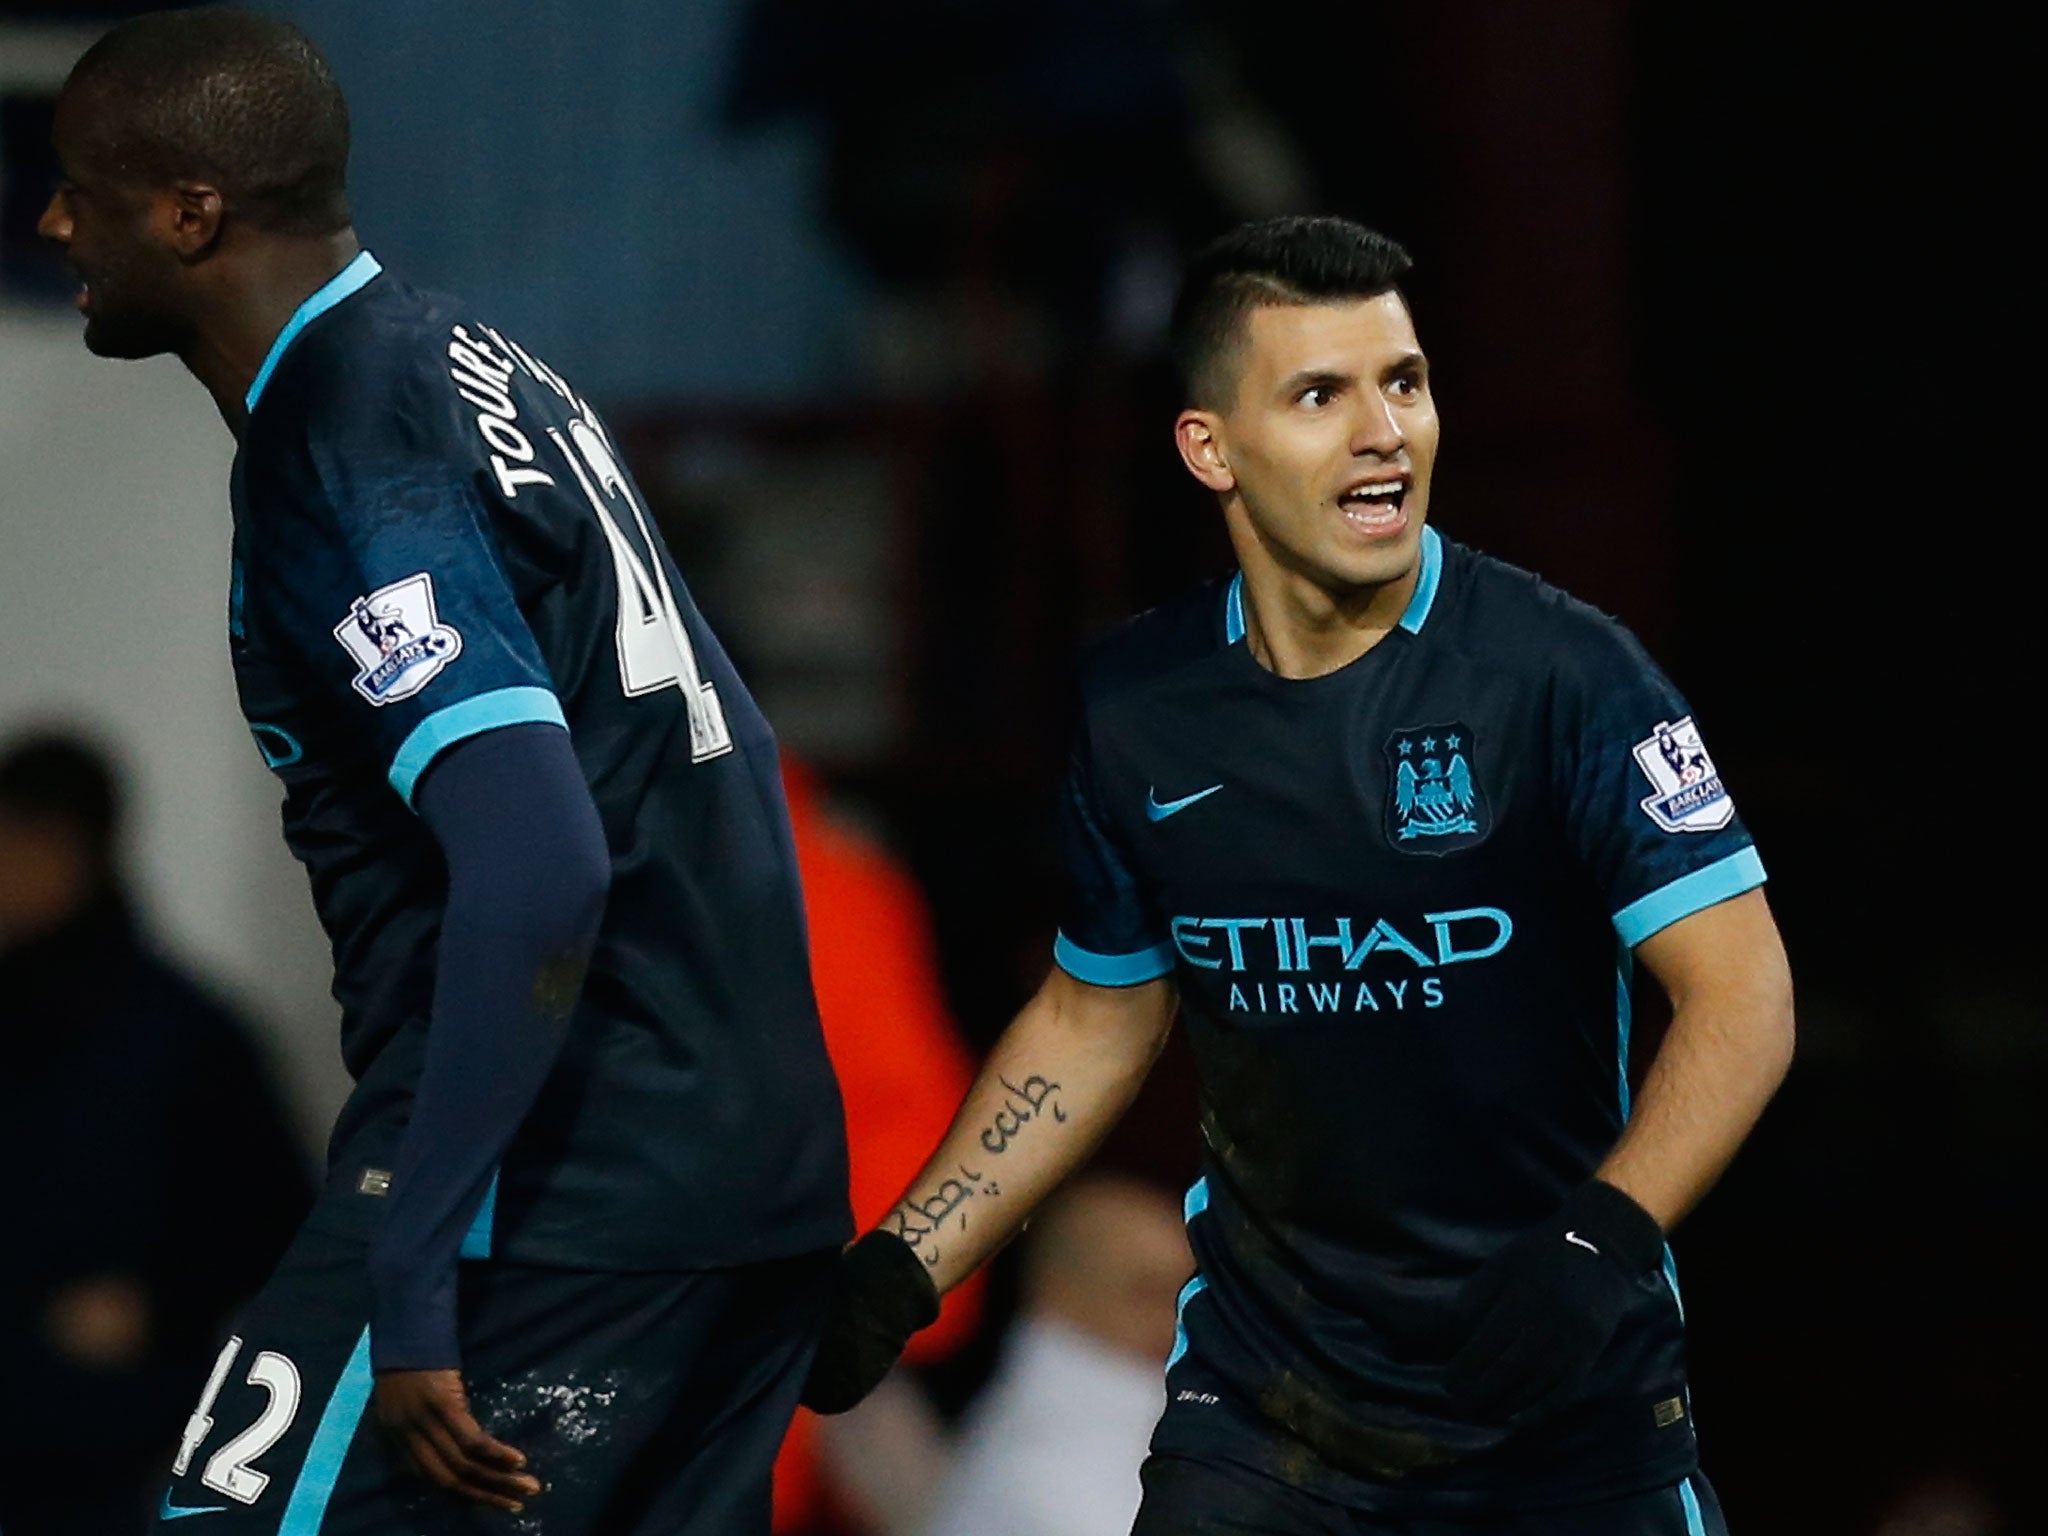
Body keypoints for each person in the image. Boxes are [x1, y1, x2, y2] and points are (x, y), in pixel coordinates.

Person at [802, 217, 1795, 1534]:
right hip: (1265, 1429)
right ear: (1211, 446)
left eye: (1405, 381)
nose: (1384, 429)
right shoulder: (1136, 705)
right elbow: (1099, 1019)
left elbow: (1745, 997)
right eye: (1322, 393)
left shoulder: (1566, 677)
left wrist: (1599, 1242)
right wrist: (905, 1266)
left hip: (1557, 1417)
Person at [39, 10, 850, 1534]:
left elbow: (543, 859)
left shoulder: (341, 437)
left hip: (555, 1198)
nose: (52, 217)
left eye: (83, 183)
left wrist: (414, 1278)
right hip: (743, 1181)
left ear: (191, 212)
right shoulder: (476, 358)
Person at [0, 730, 310, 1536]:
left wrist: (163, 1303)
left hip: (107, 1460)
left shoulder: (185, 1034)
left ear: (72, 847)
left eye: (19, 843)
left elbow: (278, 1216)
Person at [920, 1176, 1193, 1536]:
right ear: (1059, 1291)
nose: (1174, 1321)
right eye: (1147, 1293)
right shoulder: (1042, 1463)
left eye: (1184, 1296)